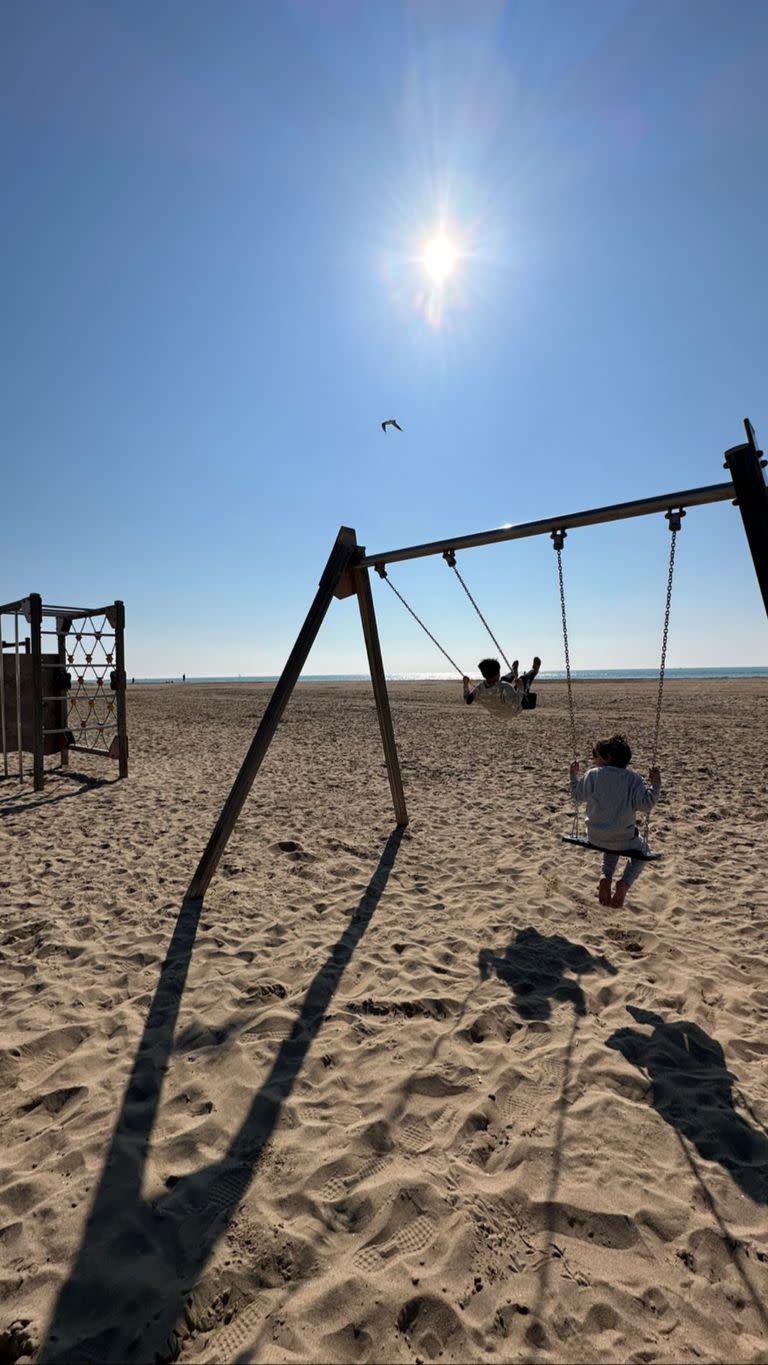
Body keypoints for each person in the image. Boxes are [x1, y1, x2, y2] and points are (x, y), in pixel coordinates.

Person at [569, 733, 661, 909]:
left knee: (610, 844)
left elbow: (577, 795)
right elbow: (647, 804)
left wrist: (573, 776)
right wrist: (655, 784)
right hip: (624, 838)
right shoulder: (633, 779)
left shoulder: (592, 775)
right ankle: (625, 883)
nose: (594, 759)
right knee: (643, 851)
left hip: (595, 836)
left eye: (596, 755)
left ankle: (605, 876)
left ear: (608, 757)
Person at [462, 656, 541, 718]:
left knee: (503, 680)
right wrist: (520, 688)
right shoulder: (506, 687)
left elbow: (468, 700)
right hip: (512, 711)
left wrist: (466, 685)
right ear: (498, 673)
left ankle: (513, 672)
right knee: (523, 679)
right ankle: (534, 670)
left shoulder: (479, 688)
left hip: (497, 713)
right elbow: (516, 703)